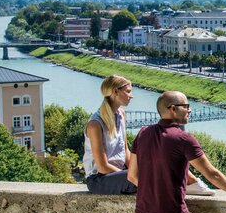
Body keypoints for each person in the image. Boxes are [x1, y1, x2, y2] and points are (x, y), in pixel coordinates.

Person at [83, 75, 213, 196]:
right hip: (99, 180)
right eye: (128, 91)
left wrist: (135, 169)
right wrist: (132, 175)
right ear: (116, 92)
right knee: (151, 174)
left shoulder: (121, 115)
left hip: (121, 174)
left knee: (158, 164)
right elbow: (102, 167)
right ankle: (185, 185)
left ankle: (190, 181)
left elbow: (125, 151)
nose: (131, 96)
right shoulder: (95, 124)